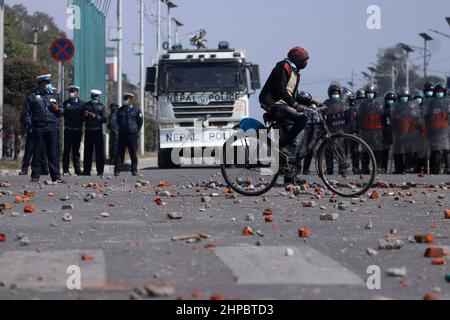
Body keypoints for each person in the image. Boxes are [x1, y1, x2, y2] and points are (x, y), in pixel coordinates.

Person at [259, 46, 317, 157]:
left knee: (292, 140)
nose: (305, 63)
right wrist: (295, 105)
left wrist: (310, 101)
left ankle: (288, 168)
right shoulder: (283, 67)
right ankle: (280, 145)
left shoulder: (295, 73)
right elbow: (281, 90)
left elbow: (293, 95)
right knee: (302, 119)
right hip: (271, 102)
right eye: (304, 60)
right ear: (296, 59)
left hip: (282, 104)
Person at [20, 74, 63, 183]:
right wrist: (31, 126)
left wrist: (57, 108)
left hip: (52, 127)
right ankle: (35, 176)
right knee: (37, 152)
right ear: (40, 84)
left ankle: (56, 176)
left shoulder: (55, 95)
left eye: (49, 82)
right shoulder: (32, 96)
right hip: (38, 127)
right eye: (46, 83)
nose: (49, 85)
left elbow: (62, 111)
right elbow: (25, 113)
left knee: (53, 153)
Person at [323, 82, 357, 174]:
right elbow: (322, 116)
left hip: (340, 130)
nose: (335, 95)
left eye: (337, 93)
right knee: (328, 149)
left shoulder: (343, 104)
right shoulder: (326, 103)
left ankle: (342, 169)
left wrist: (350, 129)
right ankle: (329, 169)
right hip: (329, 130)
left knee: (341, 150)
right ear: (330, 94)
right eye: (333, 93)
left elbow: (348, 118)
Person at [357, 87, 388, 173]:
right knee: (365, 150)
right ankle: (365, 168)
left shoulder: (379, 104)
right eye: (368, 93)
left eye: (372, 93)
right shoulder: (363, 105)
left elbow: (383, 117)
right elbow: (359, 118)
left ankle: (378, 167)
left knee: (378, 151)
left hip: (377, 131)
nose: (370, 95)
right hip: (366, 131)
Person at [391, 88, 421, 174]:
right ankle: (398, 168)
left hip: (410, 132)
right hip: (399, 132)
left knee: (408, 151)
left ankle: (408, 167)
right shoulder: (395, 107)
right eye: (402, 97)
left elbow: (417, 119)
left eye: (405, 97)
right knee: (398, 152)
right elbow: (393, 119)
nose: (404, 98)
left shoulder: (412, 107)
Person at [114, 93, 143, 177]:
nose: (125, 99)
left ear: (131, 99)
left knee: (133, 153)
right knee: (119, 153)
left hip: (132, 135)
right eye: (124, 97)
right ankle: (117, 170)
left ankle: (134, 170)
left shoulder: (137, 110)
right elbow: (118, 121)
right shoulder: (120, 110)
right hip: (122, 134)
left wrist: (135, 130)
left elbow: (140, 122)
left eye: (126, 98)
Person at [424, 82, 449, 174]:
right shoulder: (431, 103)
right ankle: (434, 169)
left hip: (445, 130)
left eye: (441, 91)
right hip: (434, 130)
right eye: (437, 91)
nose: (439, 93)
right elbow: (426, 116)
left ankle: (448, 168)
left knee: (447, 150)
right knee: (435, 151)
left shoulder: (447, 103)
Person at [83, 90, 107, 176]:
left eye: (96, 96)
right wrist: (85, 116)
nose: (95, 97)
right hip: (88, 130)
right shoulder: (86, 105)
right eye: (93, 96)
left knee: (99, 152)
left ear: (98, 96)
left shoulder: (101, 106)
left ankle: (100, 171)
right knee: (87, 152)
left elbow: (104, 119)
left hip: (98, 131)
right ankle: (86, 171)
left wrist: (96, 116)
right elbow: (82, 118)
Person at [62, 85, 85, 176]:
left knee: (76, 151)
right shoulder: (65, 103)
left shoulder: (82, 104)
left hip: (77, 130)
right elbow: (64, 114)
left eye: (73, 91)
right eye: (70, 90)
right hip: (68, 130)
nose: (71, 92)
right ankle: (65, 170)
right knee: (66, 150)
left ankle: (77, 169)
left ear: (77, 92)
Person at [413, 88, 428, 174]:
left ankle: (425, 168)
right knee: (416, 152)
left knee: (424, 151)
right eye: (416, 98)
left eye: (419, 98)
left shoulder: (425, 108)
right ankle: (417, 167)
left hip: (424, 133)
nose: (418, 100)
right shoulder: (411, 109)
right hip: (414, 134)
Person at [381, 92, 396, 173]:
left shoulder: (397, 110)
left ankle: (396, 168)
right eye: (389, 100)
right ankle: (384, 167)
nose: (390, 101)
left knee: (396, 152)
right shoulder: (383, 111)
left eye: (392, 100)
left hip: (395, 134)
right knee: (385, 152)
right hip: (386, 133)